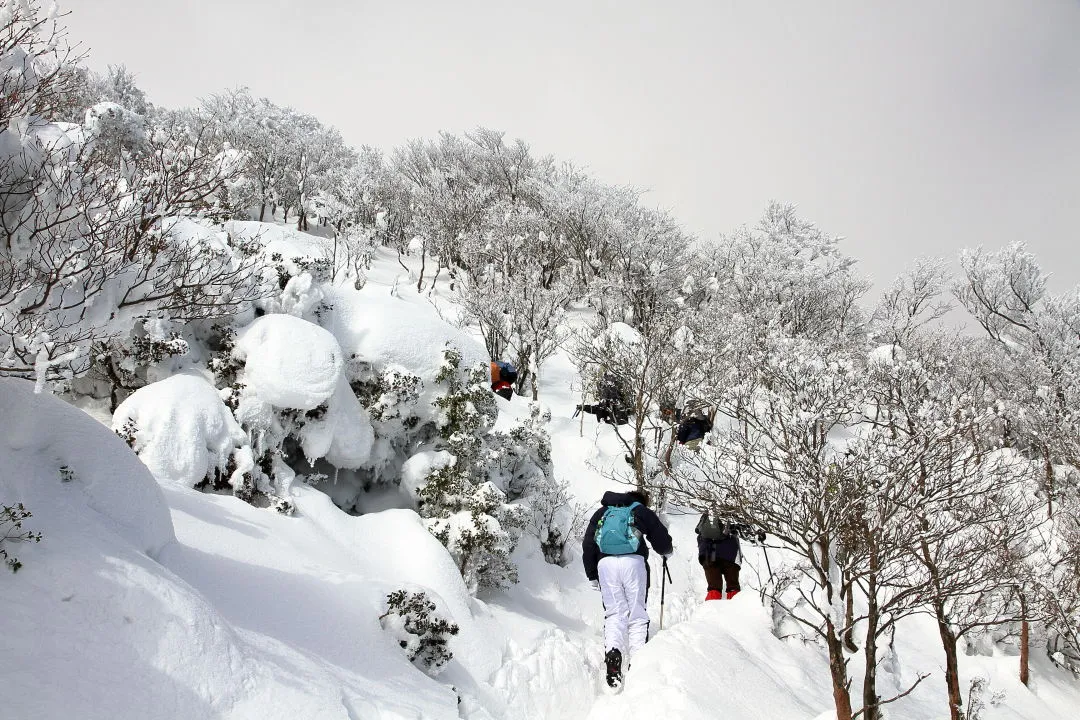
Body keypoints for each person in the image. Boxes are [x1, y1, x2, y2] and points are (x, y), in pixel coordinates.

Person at [582, 489, 673, 687]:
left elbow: (588, 543)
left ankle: (613, 652)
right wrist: (666, 551)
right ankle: (639, 663)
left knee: (615, 613)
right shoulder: (640, 510)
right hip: (633, 563)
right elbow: (659, 536)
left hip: (606, 565)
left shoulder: (603, 512)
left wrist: (591, 574)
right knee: (637, 615)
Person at [695, 511, 741, 600]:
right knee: (733, 587)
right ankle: (736, 607)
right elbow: (744, 531)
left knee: (714, 588)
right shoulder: (733, 510)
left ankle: (711, 610)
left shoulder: (707, 508)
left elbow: (698, 530)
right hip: (730, 554)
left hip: (708, 553)